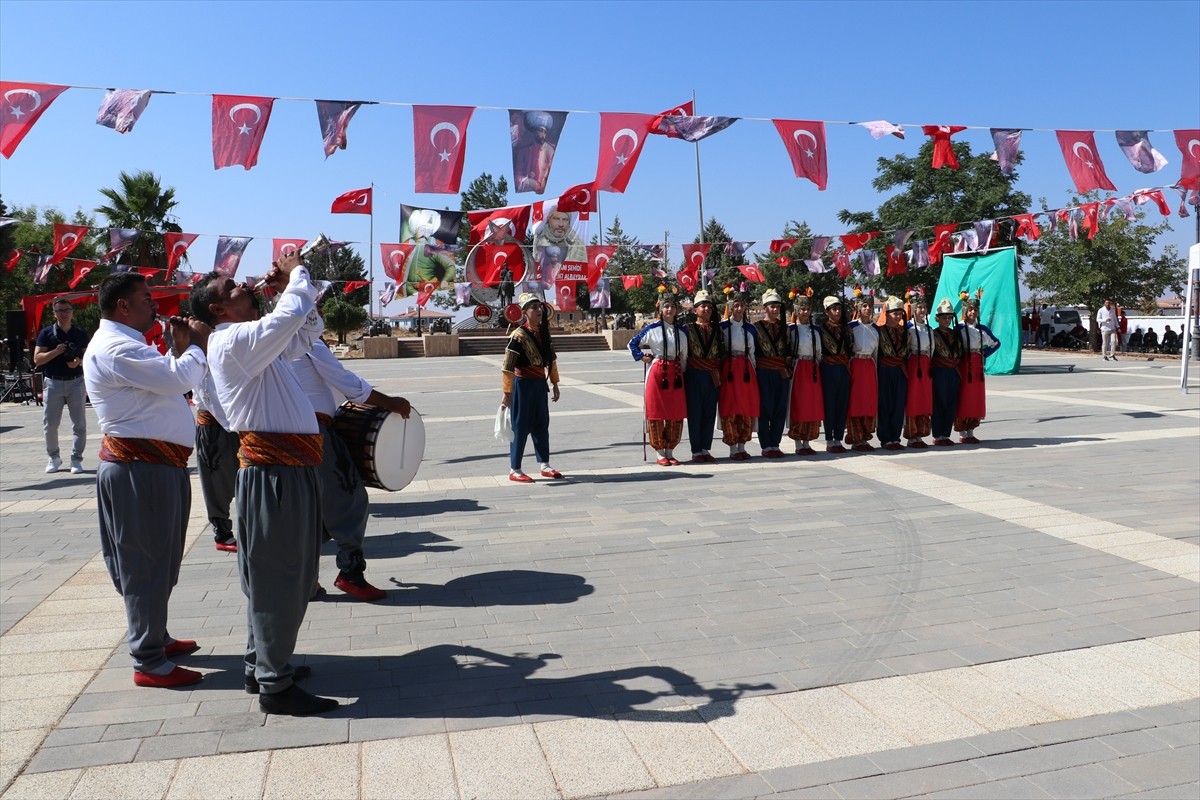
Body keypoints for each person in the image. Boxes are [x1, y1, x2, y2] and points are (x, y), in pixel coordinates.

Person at [191, 251, 338, 716]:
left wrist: (285, 293)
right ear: (218, 310)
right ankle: (276, 684)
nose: (246, 288)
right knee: (281, 576)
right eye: (234, 289)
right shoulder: (232, 340)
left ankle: (264, 666)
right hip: (275, 473)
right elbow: (291, 314)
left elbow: (304, 332)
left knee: (273, 575)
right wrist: (296, 271)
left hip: (283, 470)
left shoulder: (248, 340)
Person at [83, 273, 208, 688]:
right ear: (123, 307)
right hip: (141, 468)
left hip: (154, 466)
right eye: (146, 298)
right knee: (144, 564)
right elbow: (178, 379)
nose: (154, 305)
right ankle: (149, 660)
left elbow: (168, 377)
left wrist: (178, 350)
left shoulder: (127, 344)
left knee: (161, 559)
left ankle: (156, 636)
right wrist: (193, 347)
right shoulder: (116, 347)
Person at [291, 338, 410, 601]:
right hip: (315, 433)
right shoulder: (305, 342)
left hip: (282, 438)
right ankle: (351, 573)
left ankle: (304, 581)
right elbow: (347, 383)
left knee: (308, 510)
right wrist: (391, 403)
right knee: (350, 499)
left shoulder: (265, 342)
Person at [501, 293, 562, 482]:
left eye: (539, 307)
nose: (538, 310)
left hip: (539, 385)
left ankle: (544, 464)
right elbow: (507, 366)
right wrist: (507, 393)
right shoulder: (517, 336)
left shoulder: (544, 333)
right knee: (520, 426)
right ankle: (515, 469)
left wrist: (555, 383)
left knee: (542, 425)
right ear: (524, 312)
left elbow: (551, 360)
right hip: (523, 386)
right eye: (533, 307)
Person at [630, 288, 688, 465]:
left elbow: (685, 356)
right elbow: (632, 343)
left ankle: (670, 450)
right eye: (666, 307)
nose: (669, 310)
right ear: (660, 310)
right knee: (656, 412)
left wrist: (683, 373)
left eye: (672, 306)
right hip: (657, 372)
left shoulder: (682, 331)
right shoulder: (652, 329)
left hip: (676, 372)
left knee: (675, 413)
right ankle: (660, 451)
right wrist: (641, 356)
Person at [34, 298, 89, 473]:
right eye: (59, 310)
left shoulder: (80, 333)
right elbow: (37, 359)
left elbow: (88, 356)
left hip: (75, 382)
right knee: (50, 424)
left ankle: (76, 459)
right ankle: (53, 458)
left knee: (79, 423)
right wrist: (55, 351)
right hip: (53, 382)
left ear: (72, 312)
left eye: (66, 310)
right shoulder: (46, 333)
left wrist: (78, 361)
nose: (63, 313)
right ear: (54, 313)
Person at [193, 367, 239, 553]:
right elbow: (210, 395)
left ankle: (252, 529)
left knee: (243, 478)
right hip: (215, 427)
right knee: (216, 482)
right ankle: (222, 532)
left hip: (235, 423)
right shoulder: (200, 354)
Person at [683, 290, 724, 463]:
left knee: (709, 413)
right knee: (695, 413)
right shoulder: (687, 329)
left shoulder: (718, 330)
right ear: (695, 310)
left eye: (708, 306)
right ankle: (696, 450)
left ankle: (705, 448)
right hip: (694, 375)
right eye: (702, 306)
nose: (706, 309)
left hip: (712, 376)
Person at [955, 291, 1001, 444]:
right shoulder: (959, 328)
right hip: (963, 363)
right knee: (964, 396)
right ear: (965, 311)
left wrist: (983, 354)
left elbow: (996, 343)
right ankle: (962, 431)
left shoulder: (982, 329)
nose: (973, 312)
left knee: (975, 396)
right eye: (970, 309)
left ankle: (971, 430)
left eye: (975, 310)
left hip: (977, 364)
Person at [718, 286, 758, 460]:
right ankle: (732, 446)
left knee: (745, 407)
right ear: (730, 307)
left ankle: (742, 444)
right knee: (730, 407)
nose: (739, 309)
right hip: (729, 369)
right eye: (736, 306)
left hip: (746, 369)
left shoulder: (750, 328)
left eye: (742, 305)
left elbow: (753, 351)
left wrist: (754, 371)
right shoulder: (722, 327)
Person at [754, 289, 793, 458]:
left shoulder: (786, 329)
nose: (775, 309)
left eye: (777, 306)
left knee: (780, 408)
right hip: (763, 372)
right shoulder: (756, 328)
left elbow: (790, 351)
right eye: (772, 306)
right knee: (765, 408)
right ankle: (765, 444)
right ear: (765, 308)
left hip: (781, 373)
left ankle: (775, 443)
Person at [786, 291, 822, 455]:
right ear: (796, 311)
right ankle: (798, 442)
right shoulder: (791, 329)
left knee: (811, 405)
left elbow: (819, 351)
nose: (805, 312)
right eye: (802, 309)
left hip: (812, 367)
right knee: (798, 404)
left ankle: (807, 441)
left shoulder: (815, 330)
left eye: (808, 309)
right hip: (799, 367)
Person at [818, 296, 852, 453]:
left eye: (839, 309)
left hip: (843, 368)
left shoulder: (847, 329)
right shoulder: (821, 329)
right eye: (834, 309)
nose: (837, 312)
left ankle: (838, 437)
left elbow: (850, 349)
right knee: (829, 404)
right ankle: (829, 439)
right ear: (827, 311)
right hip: (828, 368)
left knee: (841, 403)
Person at [876, 296, 910, 451]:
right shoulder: (879, 331)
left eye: (900, 314)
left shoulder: (906, 332)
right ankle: (885, 438)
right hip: (884, 371)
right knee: (885, 404)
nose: (897, 316)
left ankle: (895, 437)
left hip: (900, 371)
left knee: (898, 405)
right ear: (887, 314)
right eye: (894, 313)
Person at [846, 293, 880, 452]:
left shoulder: (876, 329)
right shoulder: (851, 327)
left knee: (868, 402)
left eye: (870, 306)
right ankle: (855, 437)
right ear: (858, 308)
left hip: (870, 366)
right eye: (864, 306)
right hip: (855, 365)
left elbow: (877, 353)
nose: (867, 309)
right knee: (855, 403)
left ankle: (865, 437)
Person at [930, 299, 963, 446]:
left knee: (951, 402)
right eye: (944, 317)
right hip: (939, 371)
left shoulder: (955, 334)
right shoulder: (933, 334)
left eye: (949, 318)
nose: (947, 320)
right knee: (939, 401)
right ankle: (938, 434)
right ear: (937, 318)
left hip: (953, 371)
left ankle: (946, 433)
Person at [904, 294, 934, 449]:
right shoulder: (908, 328)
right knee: (913, 400)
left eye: (924, 307)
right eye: (919, 308)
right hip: (913, 363)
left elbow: (932, 349)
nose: (922, 310)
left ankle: (921, 434)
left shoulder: (929, 329)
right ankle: (911, 435)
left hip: (925, 364)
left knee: (924, 399)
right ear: (914, 310)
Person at [513, 110, 558, 194]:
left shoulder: (550, 150)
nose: (543, 134)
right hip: (527, 193)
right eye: (540, 131)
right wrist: (531, 183)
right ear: (534, 132)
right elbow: (516, 177)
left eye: (545, 132)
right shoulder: (523, 152)